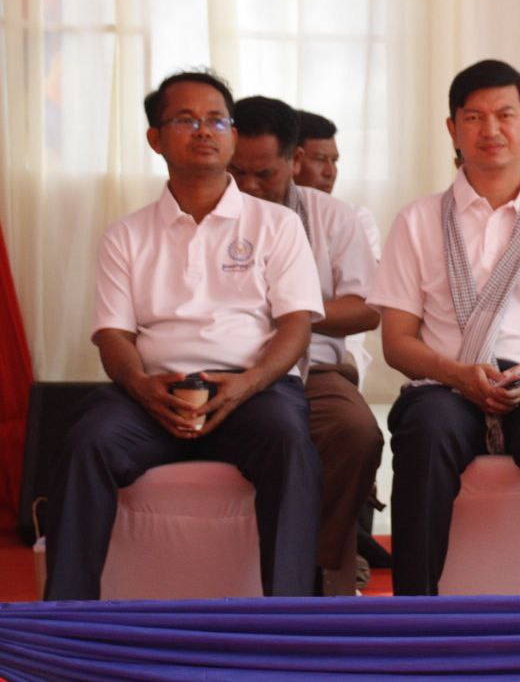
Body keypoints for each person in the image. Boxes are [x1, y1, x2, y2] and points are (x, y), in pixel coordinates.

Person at [44, 71, 324, 599]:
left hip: (252, 391)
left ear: (233, 135)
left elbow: (296, 325)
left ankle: (289, 619)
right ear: (155, 138)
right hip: (151, 394)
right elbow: (112, 335)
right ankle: (67, 618)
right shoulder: (126, 234)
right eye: (186, 120)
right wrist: (140, 386)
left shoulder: (276, 225)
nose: (204, 131)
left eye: (217, 120)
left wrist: (248, 383)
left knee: (290, 443)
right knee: (87, 441)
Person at [369, 59, 520, 595]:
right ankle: (414, 618)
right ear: (452, 129)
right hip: (445, 382)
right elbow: (397, 342)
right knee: (426, 430)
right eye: (474, 117)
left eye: (505, 115)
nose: (491, 129)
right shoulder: (417, 220)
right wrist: (456, 375)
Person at [229, 95, 384, 596]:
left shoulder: (334, 217)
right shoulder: (207, 211)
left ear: (294, 161)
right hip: (224, 367)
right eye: (237, 172)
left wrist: (293, 313)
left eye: (263, 174)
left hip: (312, 371)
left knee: (357, 431)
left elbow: (368, 309)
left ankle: (320, 564)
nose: (248, 186)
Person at [294, 109, 381, 258]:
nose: (330, 172)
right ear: (294, 159)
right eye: (319, 159)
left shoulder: (356, 217)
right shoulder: (266, 215)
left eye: (334, 161)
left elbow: (368, 272)